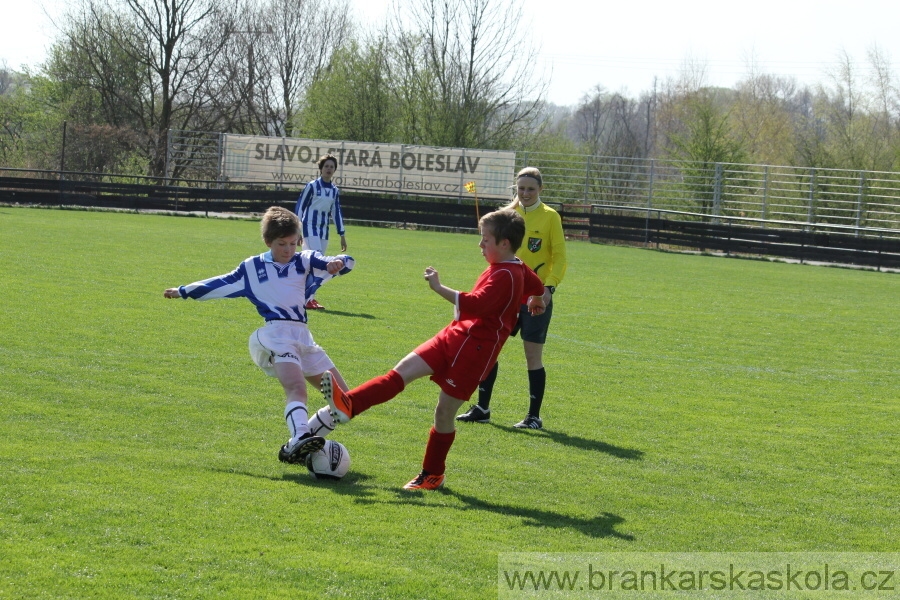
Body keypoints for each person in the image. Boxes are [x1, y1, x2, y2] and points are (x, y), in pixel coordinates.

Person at [313, 208, 546, 490]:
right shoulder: (515, 265)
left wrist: (438, 286)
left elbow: (475, 304)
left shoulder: (506, 275)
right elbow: (535, 283)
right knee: (400, 373)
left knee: (444, 413)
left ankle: (433, 473)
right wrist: (536, 299)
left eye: (485, 240)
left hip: (476, 351)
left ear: (504, 243)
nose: (480, 245)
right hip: (453, 336)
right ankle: (350, 404)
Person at [163, 206, 354, 465]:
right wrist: (184, 291)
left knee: (347, 402)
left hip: (304, 338)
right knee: (296, 388)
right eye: (281, 244)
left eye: (293, 243)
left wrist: (335, 263)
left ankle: (298, 444)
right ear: (267, 242)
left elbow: (346, 263)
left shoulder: (305, 260)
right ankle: (300, 435)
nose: (288, 250)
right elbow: (220, 283)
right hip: (276, 335)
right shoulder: (252, 268)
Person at [456, 167, 567, 429]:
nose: (525, 193)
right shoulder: (507, 215)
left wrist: (547, 289)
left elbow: (560, 258)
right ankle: (482, 408)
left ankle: (533, 417)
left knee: (532, 356)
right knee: (488, 348)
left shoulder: (551, 217)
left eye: (530, 188)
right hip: (504, 295)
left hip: (534, 296)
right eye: (521, 188)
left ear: (541, 189)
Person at [295, 153, 347, 311]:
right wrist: (297, 229)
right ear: (321, 168)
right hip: (309, 227)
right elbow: (300, 207)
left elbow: (336, 212)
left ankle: (307, 297)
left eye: (332, 167)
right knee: (315, 261)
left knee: (317, 266)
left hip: (324, 230)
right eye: (326, 166)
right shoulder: (311, 186)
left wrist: (342, 234)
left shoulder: (334, 191)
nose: (329, 169)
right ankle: (306, 299)